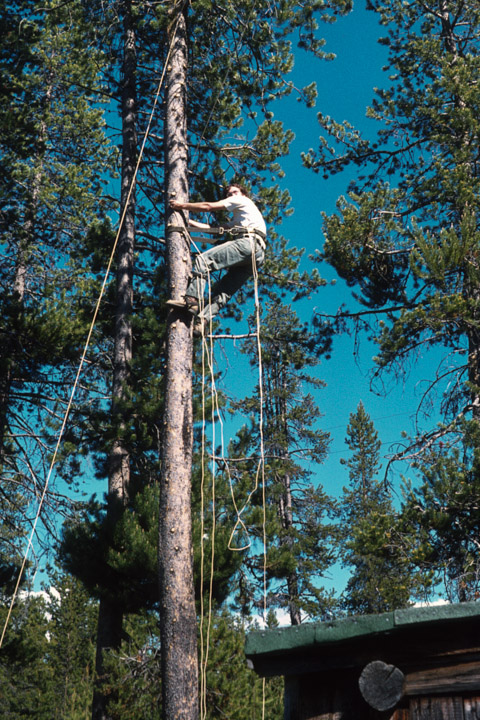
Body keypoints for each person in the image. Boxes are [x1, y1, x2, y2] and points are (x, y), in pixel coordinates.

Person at [167, 183, 266, 335]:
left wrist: (181, 205)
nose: (232, 196)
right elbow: (213, 229)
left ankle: (192, 299)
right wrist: (189, 222)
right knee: (224, 291)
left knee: (203, 260)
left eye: (235, 192)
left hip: (248, 243)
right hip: (257, 254)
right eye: (229, 194)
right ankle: (202, 321)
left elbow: (208, 206)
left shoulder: (242, 200)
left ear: (243, 194)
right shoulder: (242, 219)